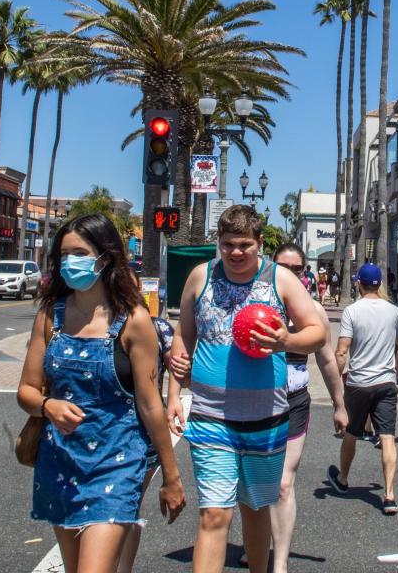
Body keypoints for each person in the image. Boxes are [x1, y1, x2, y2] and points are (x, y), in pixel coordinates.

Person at [18, 213, 185, 572]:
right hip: (61, 461)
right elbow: (27, 391)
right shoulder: (50, 316)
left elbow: (149, 404)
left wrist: (171, 477)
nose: (69, 262)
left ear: (105, 257)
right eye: (64, 255)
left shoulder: (134, 320)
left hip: (117, 463)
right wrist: (48, 406)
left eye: (79, 252)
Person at [166, 205, 326, 573]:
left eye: (244, 245)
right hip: (210, 418)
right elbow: (183, 335)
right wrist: (174, 396)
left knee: (256, 512)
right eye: (227, 245)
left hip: (266, 420)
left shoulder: (280, 280)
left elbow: (316, 332)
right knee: (213, 514)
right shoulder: (199, 277)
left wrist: (286, 340)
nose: (235, 253)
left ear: (259, 243)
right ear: (218, 243)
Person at [248, 243, 348, 573]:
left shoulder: (314, 313)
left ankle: (280, 562)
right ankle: (257, 542)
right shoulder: (253, 305)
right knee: (255, 483)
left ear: (304, 273)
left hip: (294, 403)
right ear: (270, 266)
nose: (290, 274)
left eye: (297, 269)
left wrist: (339, 404)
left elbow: (327, 361)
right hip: (254, 402)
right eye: (283, 267)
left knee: (282, 483)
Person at [326, 263, 398, 515]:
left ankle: (343, 479)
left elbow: (342, 350)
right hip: (385, 382)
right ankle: (390, 495)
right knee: (387, 437)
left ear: (359, 283)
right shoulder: (393, 311)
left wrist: (337, 378)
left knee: (351, 433)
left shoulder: (352, 311)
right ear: (379, 284)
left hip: (359, 383)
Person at [118, 271, 176, 573]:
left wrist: (176, 397)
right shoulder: (83, 325)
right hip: (89, 433)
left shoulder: (158, 328)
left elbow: (179, 368)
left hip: (143, 434)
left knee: (128, 506)